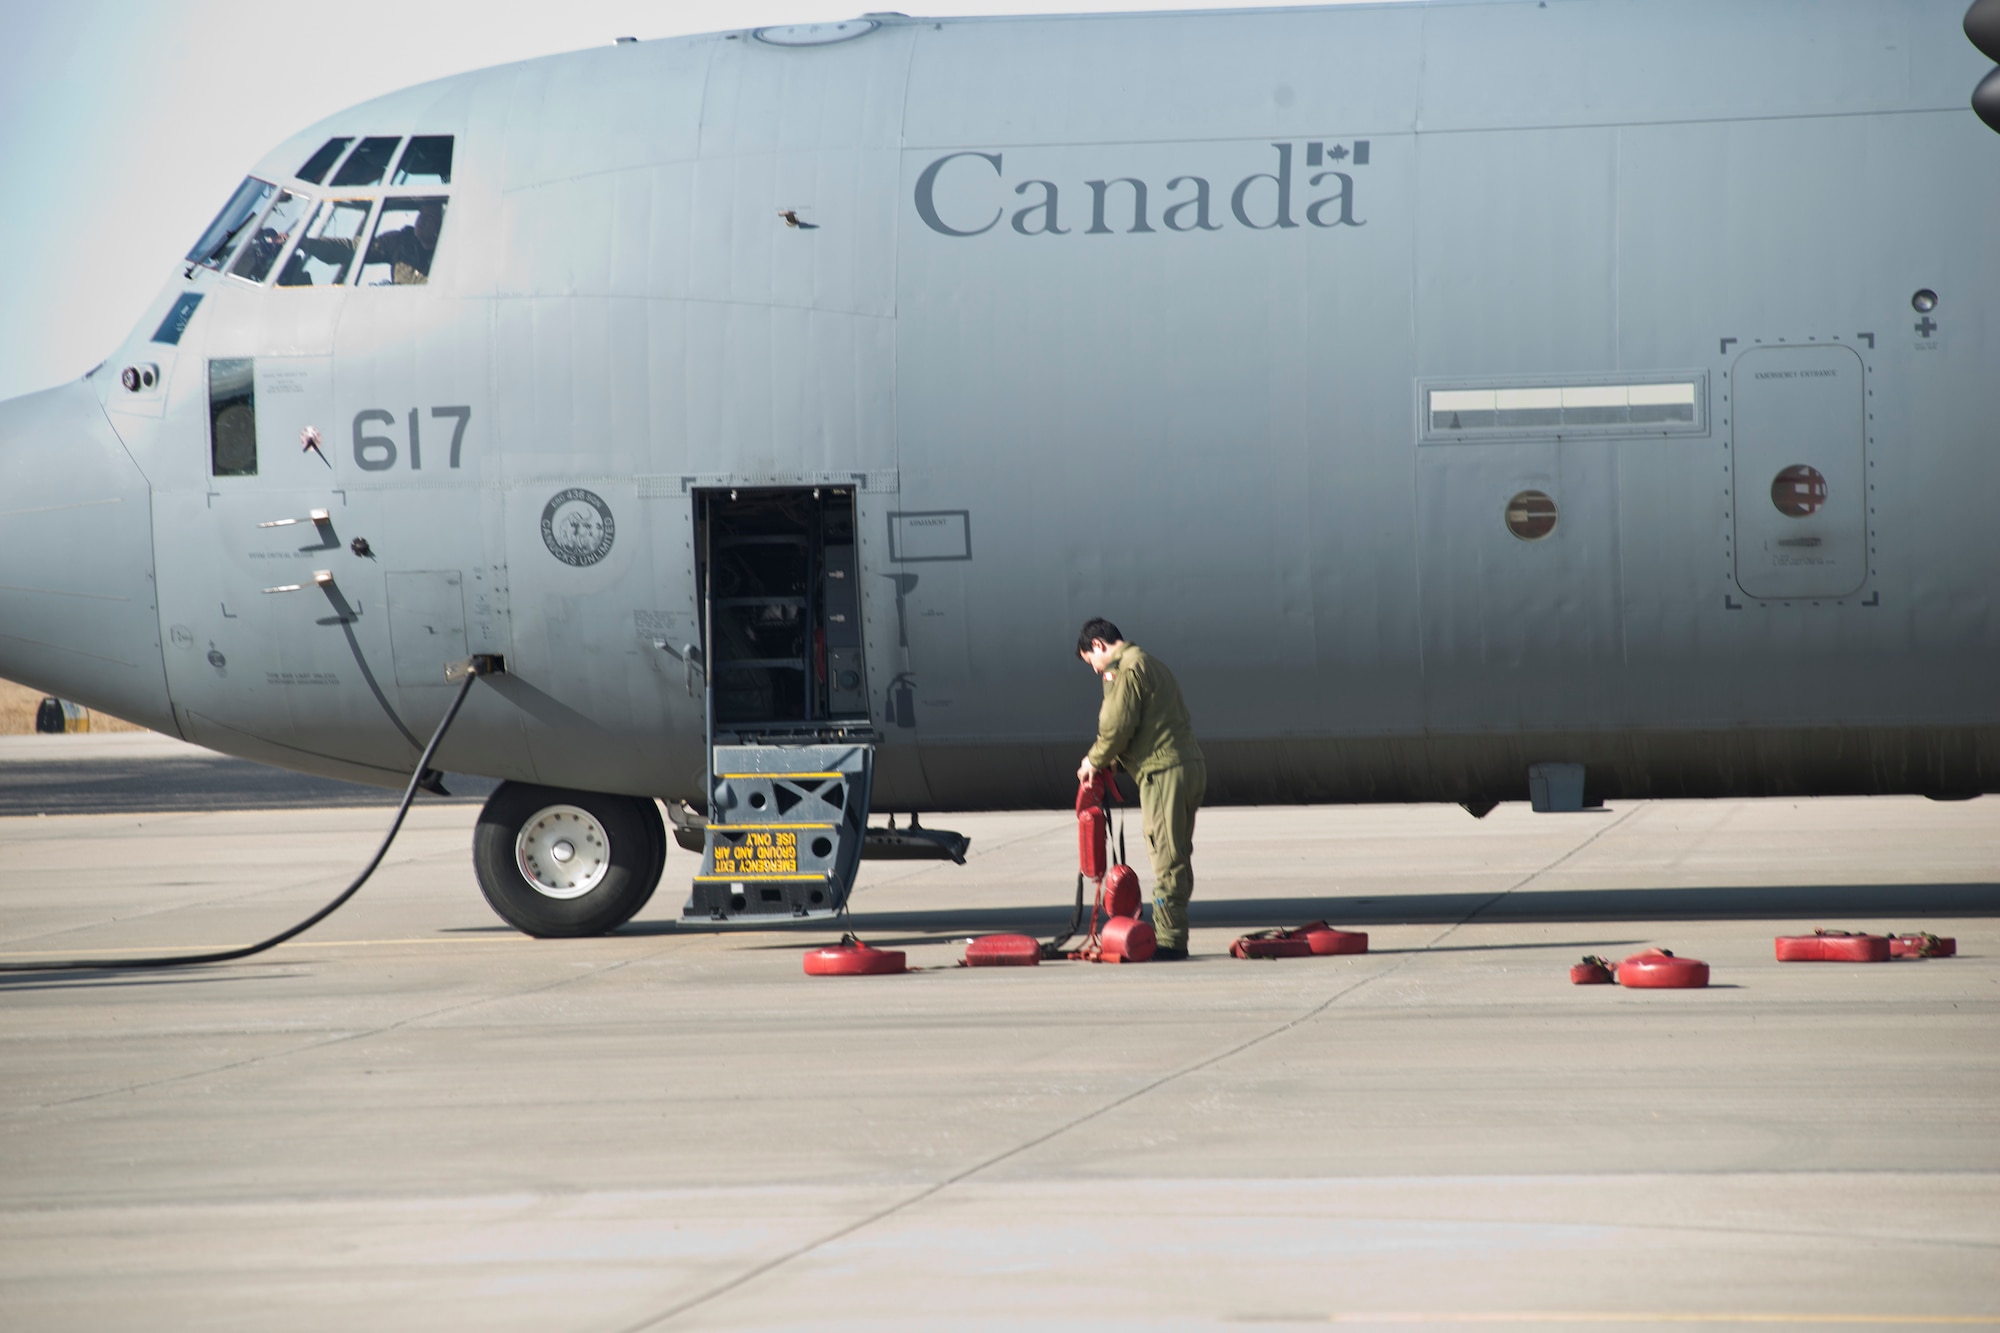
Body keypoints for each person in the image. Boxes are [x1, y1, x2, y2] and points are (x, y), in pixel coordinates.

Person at [1076, 618, 1206, 960]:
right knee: (1173, 851)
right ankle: (1170, 934)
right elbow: (1149, 726)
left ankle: (1170, 940)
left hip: (1164, 773)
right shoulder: (1149, 663)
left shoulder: (1128, 669)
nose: (1095, 671)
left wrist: (1094, 760)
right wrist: (1115, 765)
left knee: (1167, 857)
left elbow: (1116, 726)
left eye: (1092, 661)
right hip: (1181, 766)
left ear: (1099, 646)